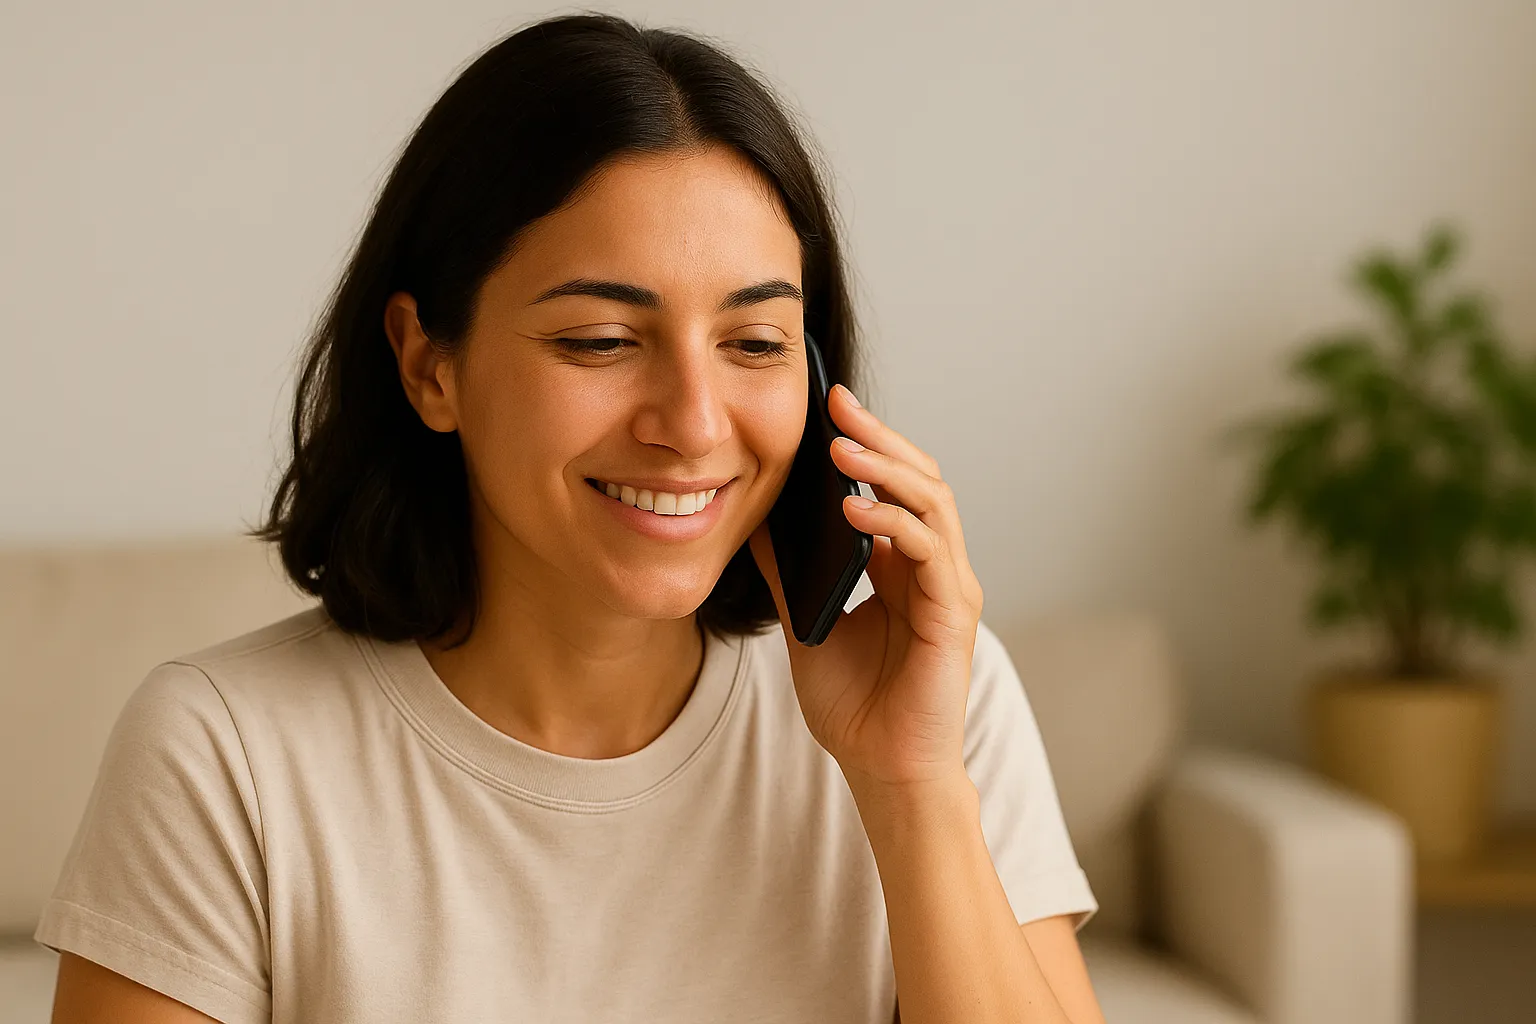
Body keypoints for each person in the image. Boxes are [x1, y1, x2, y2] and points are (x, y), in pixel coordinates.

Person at [37, 12, 1104, 1024]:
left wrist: (910, 783)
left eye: (756, 343)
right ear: (428, 364)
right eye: (600, 340)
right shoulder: (225, 750)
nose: (692, 424)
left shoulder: (937, 704)